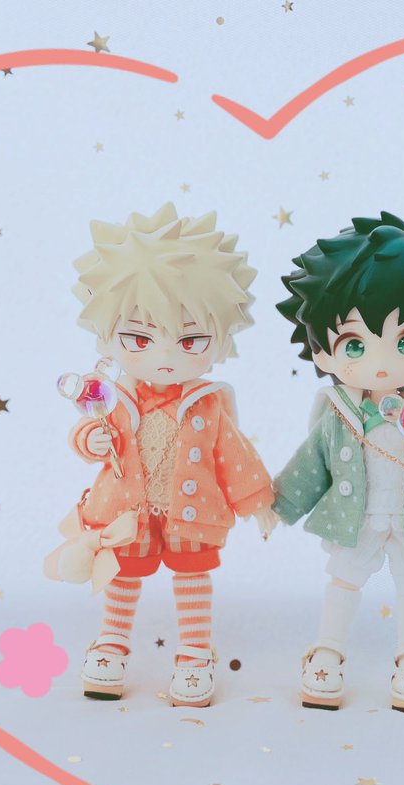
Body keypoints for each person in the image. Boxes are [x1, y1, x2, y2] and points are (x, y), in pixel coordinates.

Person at [65, 202, 278, 707]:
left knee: (192, 573)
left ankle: (195, 652)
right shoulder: (113, 395)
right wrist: (91, 441)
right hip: (128, 509)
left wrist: (257, 502)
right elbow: (89, 432)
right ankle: (112, 643)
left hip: (191, 509)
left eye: (190, 340)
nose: (164, 356)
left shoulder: (207, 402)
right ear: (106, 334)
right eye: (139, 338)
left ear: (220, 338)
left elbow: (234, 454)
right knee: (122, 571)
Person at [272, 211, 404, 714]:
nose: (381, 362)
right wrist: (277, 504)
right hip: (359, 516)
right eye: (354, 344)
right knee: (344, 579)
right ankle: (328, 650)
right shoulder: (339, 411)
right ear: (323, 353)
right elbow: (311, 463)